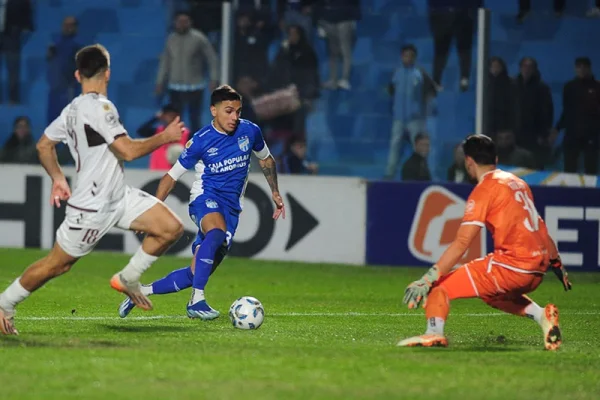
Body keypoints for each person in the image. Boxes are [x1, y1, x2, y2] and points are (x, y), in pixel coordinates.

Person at [0, 44, 186, 335]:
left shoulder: (72, 109)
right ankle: (4, 303)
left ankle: (128, 278)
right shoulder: (102, 108)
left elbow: (44, 145)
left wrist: (58, 178)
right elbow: (126, 151)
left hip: (118, 196)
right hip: (91, 207)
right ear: (107, 74)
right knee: (57, 265)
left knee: (170, 228)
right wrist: (165, 136)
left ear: (77, 75)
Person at [117, 85, 285, 320]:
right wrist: (148, 210)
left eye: (238, 111)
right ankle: (197, 301)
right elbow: (170, 177)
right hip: (205, 198)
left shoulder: (250, 131)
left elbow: (266, 159)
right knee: (216, 233)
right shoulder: (200, 141)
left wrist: (275, 192)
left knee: (195, 273)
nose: (235, 117)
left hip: (232, 209)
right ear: (213, 111)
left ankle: (140, 292)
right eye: (228, 111)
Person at [397, 134, 572, 350]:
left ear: (469, 162)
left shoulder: (484, 190)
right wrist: (556, 263)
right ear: (496, 160)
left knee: (438, 288)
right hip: (537, 270)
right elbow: (540, 226)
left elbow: (462, 242)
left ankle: (433, 333)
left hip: (512, 267)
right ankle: (542, 316)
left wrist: (429, 277)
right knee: (490, 294)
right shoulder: (518, 183)